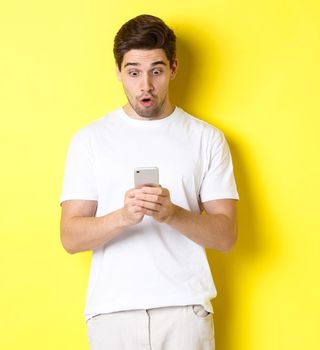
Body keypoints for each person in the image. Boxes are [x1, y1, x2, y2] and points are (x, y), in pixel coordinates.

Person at [59, 14, 238, 350]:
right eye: (133, 72)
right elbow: (70, 237)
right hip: (112, 314)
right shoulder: (90, 140)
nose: (145, 86)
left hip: (185, 310)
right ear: (118, 72)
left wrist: (172, 213)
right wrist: (124, 216)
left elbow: (226, 236)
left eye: (156, 70)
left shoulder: (206, 138)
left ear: (173, 68)